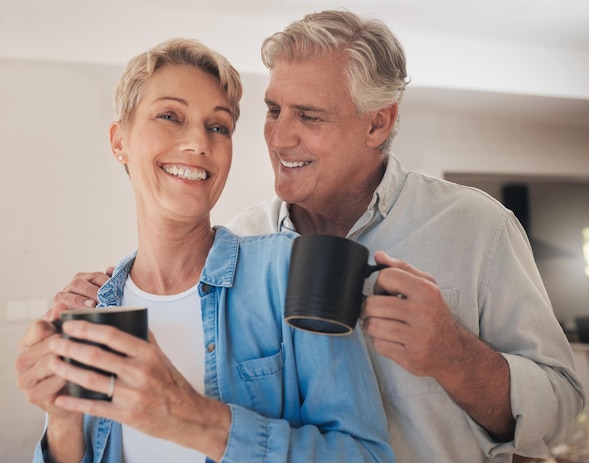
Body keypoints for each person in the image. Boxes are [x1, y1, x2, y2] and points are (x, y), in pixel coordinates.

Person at [52, 10, 586, 463]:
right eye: (273, 110)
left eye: (309, 115)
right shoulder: (241, 245)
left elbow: (561, 406)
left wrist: (453, 355)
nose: (280, 137)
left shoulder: (476, 227)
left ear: (377, 124)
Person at [14, 37, 394, 463]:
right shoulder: (94, 306)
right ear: (119, 140)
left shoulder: (289, 270)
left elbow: (367, 456)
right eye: (170, 116)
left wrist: (188, 417)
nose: (198, 143)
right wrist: (61, 419)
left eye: (218, 127)